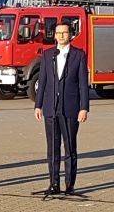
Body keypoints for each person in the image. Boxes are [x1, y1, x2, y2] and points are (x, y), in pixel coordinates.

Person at [34, 23, 89, 196]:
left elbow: (82, 84)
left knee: (70, 148)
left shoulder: (78, 55)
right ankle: (53, 183)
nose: (61, 36)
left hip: (71, 108)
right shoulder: (48, 55)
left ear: (70, 35)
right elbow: (42, 82)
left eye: (64, 33)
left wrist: (84, 108)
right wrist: (38, 105)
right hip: (51, 108)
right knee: (52, 148)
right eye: (58, 33)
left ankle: (69, 185)